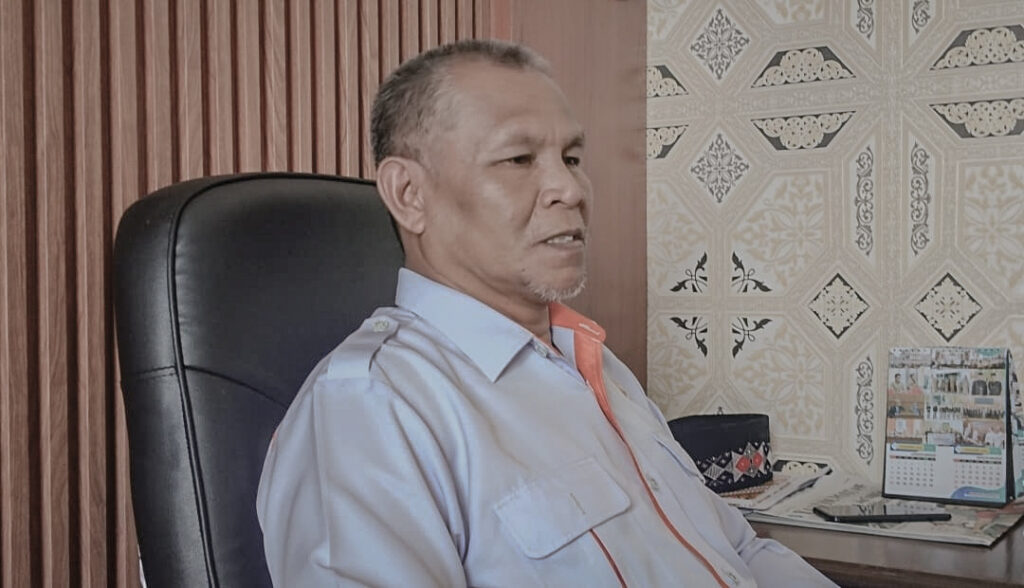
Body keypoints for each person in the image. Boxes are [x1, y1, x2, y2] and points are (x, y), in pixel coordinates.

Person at [257, 39, 835, 587]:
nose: (571, 189)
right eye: (518, 158)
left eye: (573, 157)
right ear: (409, 194)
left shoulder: (595, 363)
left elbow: (735, 549)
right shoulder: (369, 410)